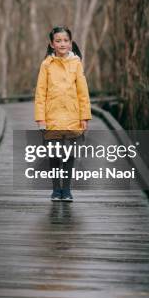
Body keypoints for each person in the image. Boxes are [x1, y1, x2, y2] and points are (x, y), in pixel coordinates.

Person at [34, 26, 92, 202]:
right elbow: (40, 92)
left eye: (66, 40)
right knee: (54, 155)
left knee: (68, 155)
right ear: (52, 44)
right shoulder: (46, 64)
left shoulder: (76, 63)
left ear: (71, 43)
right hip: (52, 117)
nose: (62, 44)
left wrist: (84, 116)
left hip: (73, 117)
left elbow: (83, 92)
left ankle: (66, 190)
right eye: (58, 41)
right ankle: (55, 190)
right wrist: (40, 118)